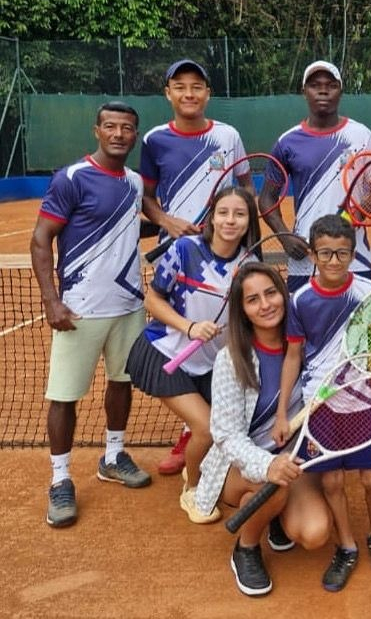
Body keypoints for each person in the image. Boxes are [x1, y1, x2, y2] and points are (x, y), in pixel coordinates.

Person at [32, 101, 151, 528]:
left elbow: (143, 215)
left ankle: (114, 455)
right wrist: (51, 300)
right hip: (79, 311)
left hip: (130, 307)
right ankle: (61, 480)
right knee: (64, 396)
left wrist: (173, 222)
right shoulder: (72, 178)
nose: (119, 134)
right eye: (111, 127)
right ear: (97, 131)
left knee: (121, 384)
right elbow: (41, 240)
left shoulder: (135, 182)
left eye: (127, 128)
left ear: (135, 135)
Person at [139, 58, 254, 476]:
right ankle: (194, 426)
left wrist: (235, 225)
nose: (189, 94)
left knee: (219, 344)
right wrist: (166, 221)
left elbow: (245, 186)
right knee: (180, 340)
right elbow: (146, 196)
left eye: (197, 87)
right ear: (168, 93)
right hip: (180, 258)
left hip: (223, 255)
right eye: (180, 86)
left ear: (207, 93)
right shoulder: (154, 140)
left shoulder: (228, 136)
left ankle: (200, 430)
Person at [273, 214, 371, 592]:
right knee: (331, 480)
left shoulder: (367, 292)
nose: (333, 261)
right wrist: (282, 412)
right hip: (318, 404)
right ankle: (346, 545)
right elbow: (293, 356)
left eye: (342, 253)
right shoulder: (299, 300)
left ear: (353, 253)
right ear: (312, 254)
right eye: (325, 253)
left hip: (359, 400)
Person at [195, 262, 331, 596]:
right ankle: (247, 547)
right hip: (238, 467)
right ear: (242, 311)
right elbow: (226, 435)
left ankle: (275, 514)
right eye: (253, 299)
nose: (266, 304)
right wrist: (266, 464)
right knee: (275, 485)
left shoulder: (305, 348)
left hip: (292, 459)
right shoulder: (231, 359)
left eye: (271, 293)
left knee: (314, 533)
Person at [126, 187, 260, 524]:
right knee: (206, 428)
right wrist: (189, 327)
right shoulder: (185, 250)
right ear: (212, 216)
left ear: (248, 222)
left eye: (240, 214)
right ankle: (194, 488)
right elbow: (153, 300)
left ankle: (196, 469)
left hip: (211, 364)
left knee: (231, 427)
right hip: (165, 352)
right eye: (224, 212)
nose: (231, 220)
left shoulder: (249, 265)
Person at [259, 60, 371, 293]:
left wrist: (352, 216)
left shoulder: (362, 135)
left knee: (360, 328)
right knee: (303, 326)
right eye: (315, 85)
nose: (323, 90)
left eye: (330, 85)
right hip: (304, 261)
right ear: (304, 92)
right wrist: (284, 236)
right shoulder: (287, 142)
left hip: (356, 258)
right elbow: (266, 198)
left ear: (340, 91)